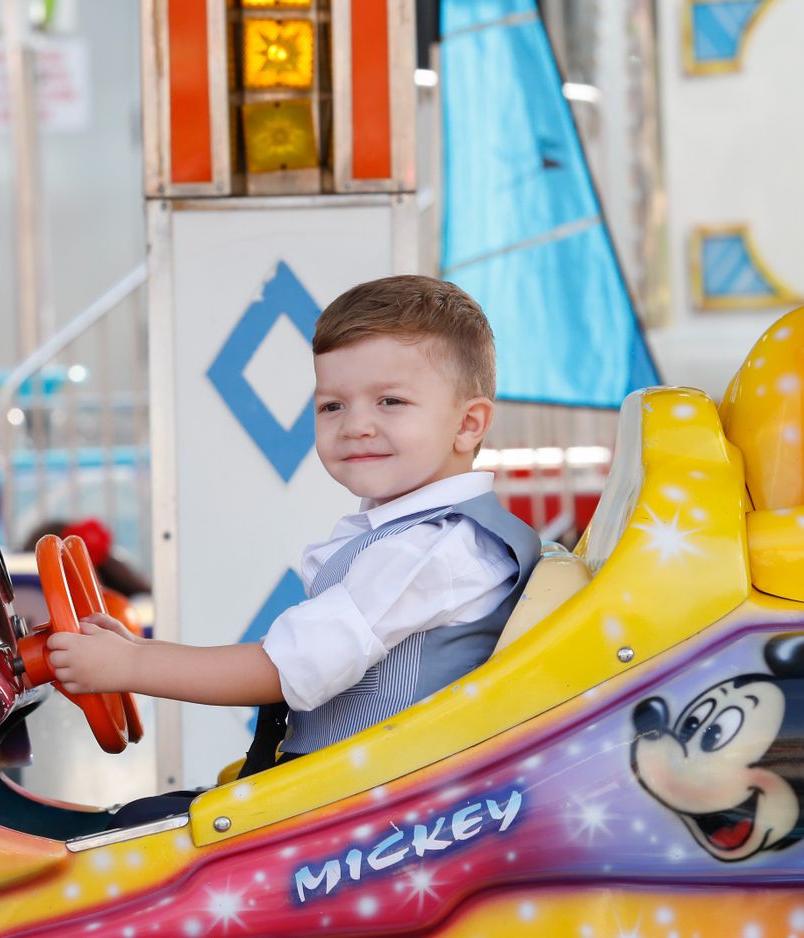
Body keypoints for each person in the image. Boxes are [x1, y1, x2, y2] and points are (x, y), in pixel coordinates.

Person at [46, 274, 540, 776]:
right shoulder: (419, 533)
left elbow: (282, 670)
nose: (355, 425)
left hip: (371, 814)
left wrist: (128, 668)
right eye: (333, 405)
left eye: (390, 401)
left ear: (469, 424)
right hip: (351, 794)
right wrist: (136, 650)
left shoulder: (430, 550)